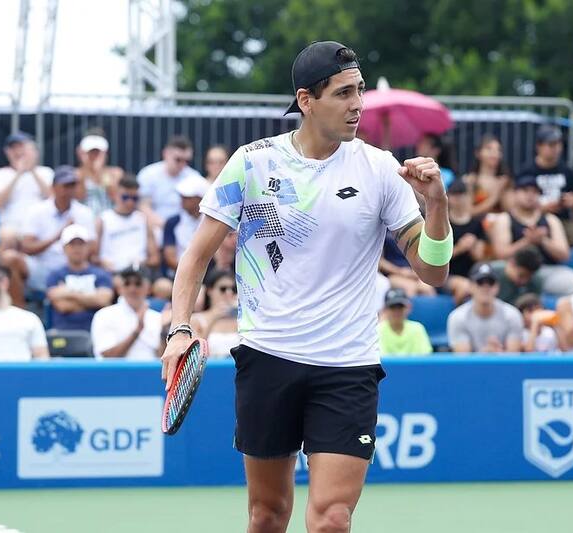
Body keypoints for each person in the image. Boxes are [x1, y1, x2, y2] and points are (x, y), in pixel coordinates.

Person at [160, 41, 452, 533]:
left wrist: (438, 206)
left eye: (359, 90)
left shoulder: (380, 168)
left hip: (348, 364)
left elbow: (433, 271)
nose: (357, 103)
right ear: (306, 100)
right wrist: (180, 329)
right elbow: (196, 257)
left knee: (332, 519)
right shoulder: (252, 163)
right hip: (269, 356)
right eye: (343, 93)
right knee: (268, 517)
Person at [0, 165, 96, 308]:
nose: (69, 190)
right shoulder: (36, 211)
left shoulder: (85, 212)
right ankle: (18, 311)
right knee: (9, 258)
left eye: (72, 185)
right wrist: (58, 235)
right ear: (54, 187)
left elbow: (92, 249)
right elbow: (27, 247)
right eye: (65, 185)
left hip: (73, 268)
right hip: (42, 267)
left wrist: (75, 256)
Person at [489, 174, 573, 295]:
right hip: (515, 271)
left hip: (545, 270)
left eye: (535, 192)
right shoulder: (505, 219)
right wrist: (527, 241)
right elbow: (501, 254)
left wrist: (543, 240)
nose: (530, 195)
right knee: (492, 272)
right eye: (525, 191)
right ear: (515, 193)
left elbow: (565, 255)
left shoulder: (550, 219)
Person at [517, 125, 573, 247]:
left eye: (558, 144)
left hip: (563, 221)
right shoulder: (526, 171)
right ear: (539, 146)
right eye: (550, 145)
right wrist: (541, 208)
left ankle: (570, 263)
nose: (555, 149)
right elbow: (514, 204)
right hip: (533, 221)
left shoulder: (567, 171)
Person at [0, 132, 53, 251]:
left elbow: (52, 197)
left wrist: (31, 169)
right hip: (12, 226)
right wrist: (18, 173)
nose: (18, 152)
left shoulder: (46, 172)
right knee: (7, 236)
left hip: (41, 225)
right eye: (13, 148)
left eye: (22, 147)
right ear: (7, 152)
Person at [46, 225, 114, 331]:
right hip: (64, 330)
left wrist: (69, 293)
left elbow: (103, 300)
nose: (77, 248)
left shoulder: (101, 274)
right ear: (64, 248)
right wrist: (92, 301)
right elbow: (63, 306)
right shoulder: (55, 275)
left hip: (97, 330)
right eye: (72, 244)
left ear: (87, 247)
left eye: (81, 244)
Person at [446, 263, 523, 354]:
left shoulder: (512, 315)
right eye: (480, 282)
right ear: (471, 286)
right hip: (473, 368)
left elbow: (513, 358)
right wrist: (485, 354)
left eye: (490, 283)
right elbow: (463, 360)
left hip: (504, 366)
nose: (485, 287)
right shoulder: (457, 317)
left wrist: (496, 354)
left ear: (497, 287)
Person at [91, 266, 162, 360]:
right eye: (127, 283)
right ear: (119, 288)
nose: (132, 289)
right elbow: (107, 357)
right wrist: (136, 331)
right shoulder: (104, 315)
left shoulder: (158, 318)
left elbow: (163, 359)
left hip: (152, 373)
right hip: (117, 373)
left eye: (138, 284)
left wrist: (164, 332)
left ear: (148, 288)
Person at [96, 175, 159, 273]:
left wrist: (142, 264)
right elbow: (92, 256)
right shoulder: (103, 220)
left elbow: (155, 258)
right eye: (125, 197)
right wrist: (103, 263)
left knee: (163, 286)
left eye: (134, 198)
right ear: (115, 195)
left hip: (139, 272)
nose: (130, 202)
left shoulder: (143, 219)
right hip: (112, 273)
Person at [138, 135, 204, 229]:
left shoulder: (194, 176)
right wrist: (167, 227)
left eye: (187, 161)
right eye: (178, 159)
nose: (183, 164)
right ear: (166, 154)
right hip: (155, 228)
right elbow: (143, 207)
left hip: (187, 229)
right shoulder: (148, 174)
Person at [443, 179, 486, 303]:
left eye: (462, 194)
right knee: (464, 287)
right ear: (448, 197)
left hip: (473, 274)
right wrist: (459, 248)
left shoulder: (476, 224)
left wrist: (471, 248)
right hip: (447, 275)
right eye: (455, 195)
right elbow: (434, 258)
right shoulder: (443, 222)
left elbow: (480, 257)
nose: (458, 199)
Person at [162, 174, 210, 274]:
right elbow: (170, 257)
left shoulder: (211, 222)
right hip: (177, 274)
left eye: (187, 197)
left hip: (207, 273)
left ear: (200, 198)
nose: (182, 199)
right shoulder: (172, 222)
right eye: (182, 196)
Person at [191, 269, 240, 358]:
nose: (229, 293)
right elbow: (195, 354)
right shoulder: (196, 319)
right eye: (223, 289)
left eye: (233, 289)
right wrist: (214, 317)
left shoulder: (241, 320)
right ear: (210, 290)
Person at [74, 131, 124, 216]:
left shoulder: (116, 172)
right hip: (84, 219)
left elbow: (114, 197)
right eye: (91, 152)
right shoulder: (76, 173)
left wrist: (100, 171)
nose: (94, 156)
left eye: (98, 153)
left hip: (109, 220)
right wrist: (86, 167)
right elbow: (80, 197)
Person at [462, 134, 512, 217]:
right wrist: (495, 196)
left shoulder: (504, 181)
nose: (494, 153)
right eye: (489, 148)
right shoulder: (470, 180)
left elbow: (511, 212)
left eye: (498, 150)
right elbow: (468, 213)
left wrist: (503, 191)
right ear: (478, 153)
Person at [376, 288, 432, 356]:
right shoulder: (378, 330)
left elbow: (425, 355)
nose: (397, 311)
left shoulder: (417, 328)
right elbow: (381, 357)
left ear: (408, 308)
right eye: (392, 307)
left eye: (400, 307)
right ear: (385, 309)